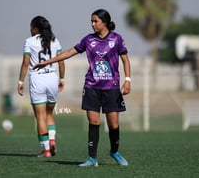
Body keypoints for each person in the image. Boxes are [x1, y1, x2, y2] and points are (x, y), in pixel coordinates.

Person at [33, 9, 131, 166]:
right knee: (94, 121)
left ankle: (114, 151)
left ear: (104, 22)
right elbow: (69, 52)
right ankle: (92, 158)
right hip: (91, 86)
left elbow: (125, 60)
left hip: (111, 87)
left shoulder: (116, 39)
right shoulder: (88, 40)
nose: (92, 24)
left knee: (114, 124)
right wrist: (47, 62)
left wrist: (127, 80)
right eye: (91, 21)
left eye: (95, 21)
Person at [17, 16, 65, 157]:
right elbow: (61, 62)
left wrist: (20, 82)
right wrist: (62, 79)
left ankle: (46, 150)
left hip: (38, 80)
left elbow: (25, 63)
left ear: (35, 28)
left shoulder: (30, 41)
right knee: (49, 114)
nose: (30, 31)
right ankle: (52, 140)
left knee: (40, 117)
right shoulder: (54, 41)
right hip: (52, 78)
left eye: (31, 28)